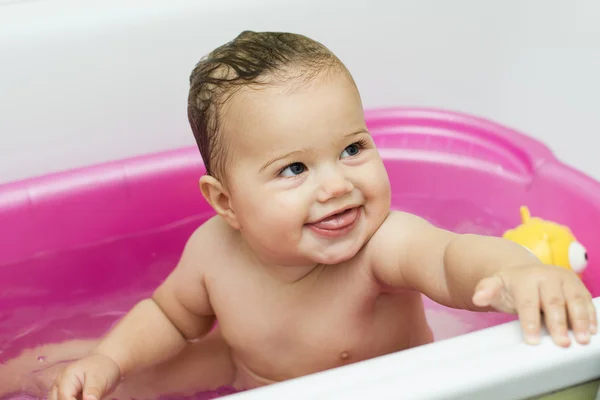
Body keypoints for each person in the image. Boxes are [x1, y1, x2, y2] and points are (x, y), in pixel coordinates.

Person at [49, 30, 597, 400]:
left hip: (393, 391)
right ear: (226, 202)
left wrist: (520, 271)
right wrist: (110, 359)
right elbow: (170, 317)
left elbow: (452, 259)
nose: (337, 185)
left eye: (353, 149)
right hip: (248, 379)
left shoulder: (381, 246)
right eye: (293, 169)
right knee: (96, 380)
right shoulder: (211, 253)